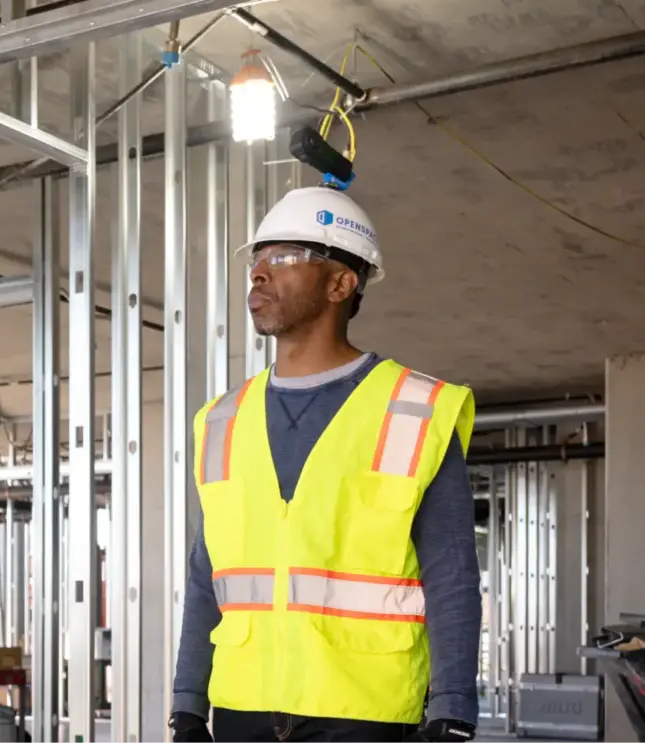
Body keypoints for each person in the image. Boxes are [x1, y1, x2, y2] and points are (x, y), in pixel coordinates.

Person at [168, 185, 482, 743]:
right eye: (257, 259)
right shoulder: (221, 419)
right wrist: (187, 702)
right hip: (243, 708)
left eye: (284, 257)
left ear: (342, 283)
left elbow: (451, 573)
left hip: (366, 714)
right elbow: (206, 574)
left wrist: (453, 708)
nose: (259, 273)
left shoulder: (415, 409)